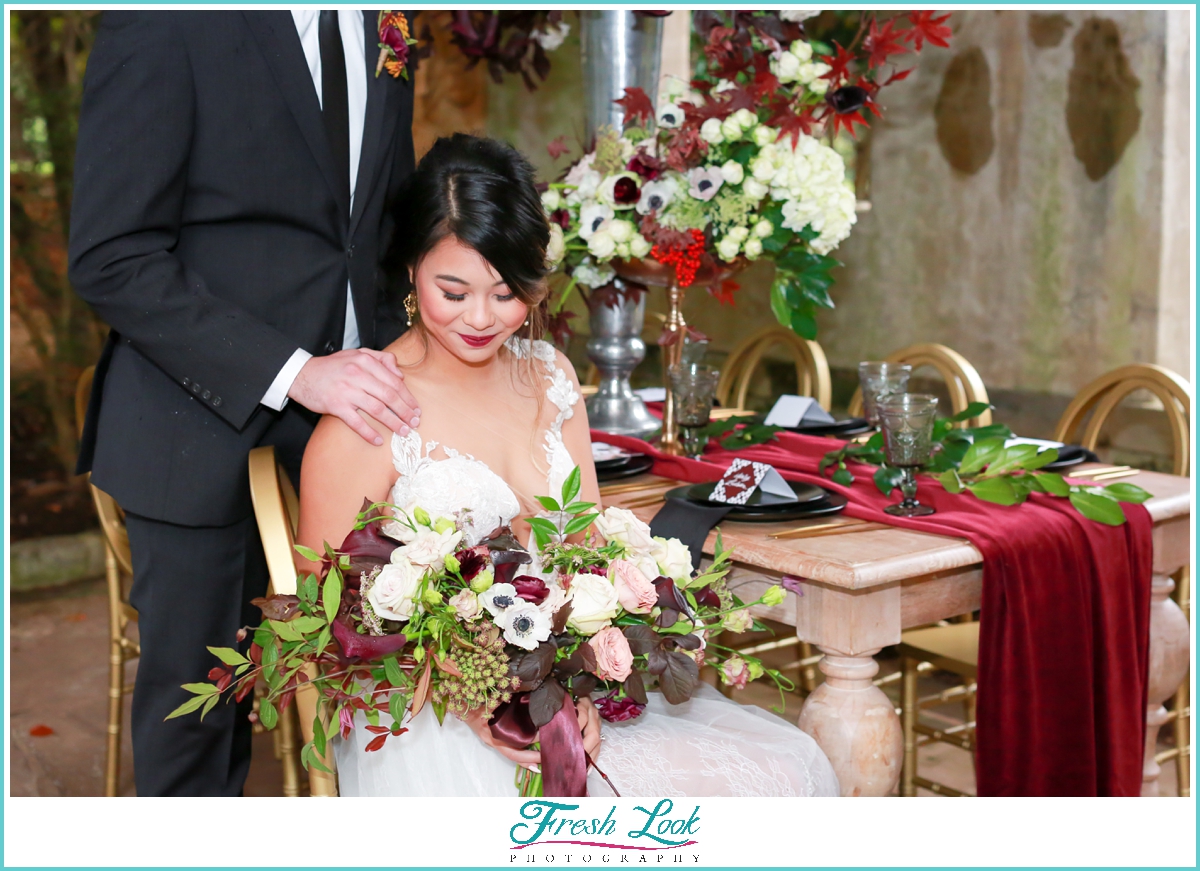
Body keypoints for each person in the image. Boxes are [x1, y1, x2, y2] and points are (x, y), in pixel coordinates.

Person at [298, 134, 840, 797]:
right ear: (411, 268)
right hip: (430, 717)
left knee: (780, 771)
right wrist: (475, 699)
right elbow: (326, 635)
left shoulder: (550, 377)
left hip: (551, 691)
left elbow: (582, 550)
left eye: (506, 292)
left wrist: (578, 681)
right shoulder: (368, 413)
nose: (480, 317)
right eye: (454, 289)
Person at [69, 10, 421, 796]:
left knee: (418, 671)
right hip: (191, 424)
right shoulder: (165, 25)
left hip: (368, 424)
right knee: (196, 722)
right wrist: (295, 370)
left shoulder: (386, 23)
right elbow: (111, 256)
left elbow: (382, 224)